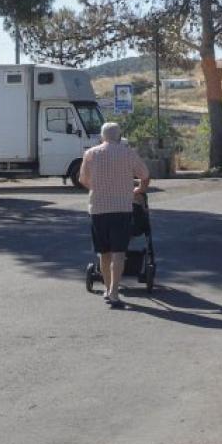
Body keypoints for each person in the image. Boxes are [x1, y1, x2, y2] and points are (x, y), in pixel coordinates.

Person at [80, 121, 150, 308]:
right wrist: (138, 190)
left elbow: (83, 180)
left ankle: (106, 287)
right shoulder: (128, 154)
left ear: (102, 136)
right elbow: (144, 175)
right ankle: (114, 292)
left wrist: (98, 188)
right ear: (119, 137)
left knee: (104, 253)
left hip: (98, 209)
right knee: (119, 252)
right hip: (121, 208)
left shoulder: (90, 154)